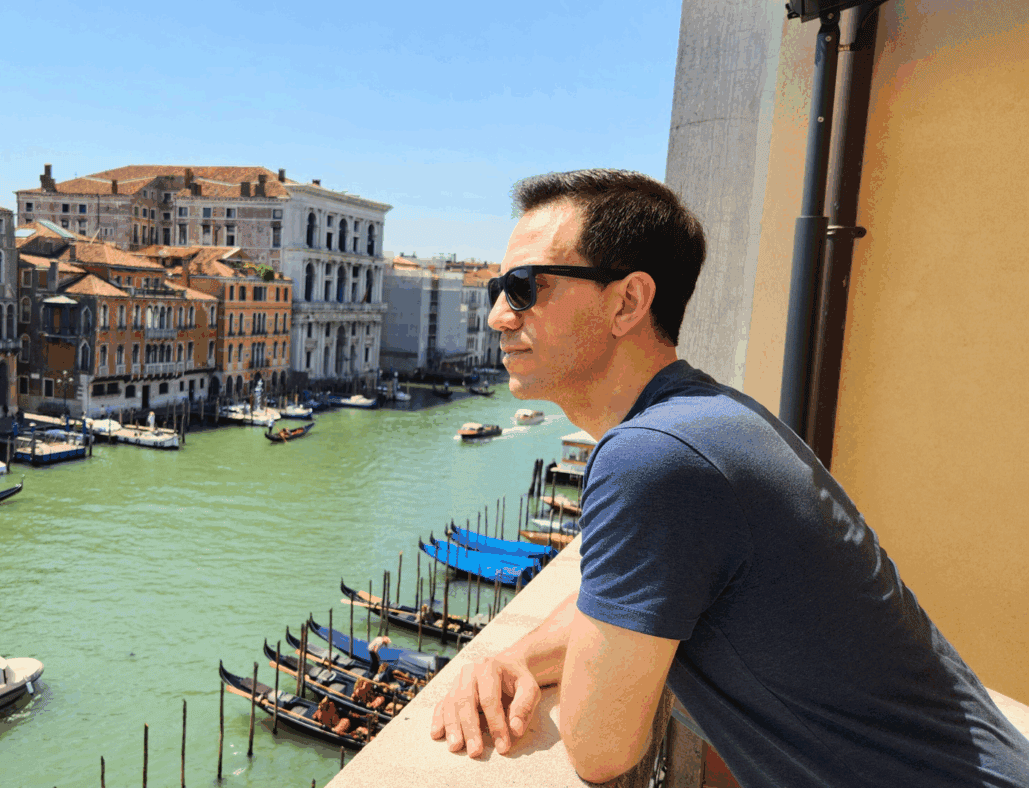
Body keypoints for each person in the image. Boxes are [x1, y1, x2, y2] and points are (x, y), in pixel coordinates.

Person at [429, 169, 1029, 786]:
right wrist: (515, 656)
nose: (500, 314)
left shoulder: (652, 457)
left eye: (526, 287)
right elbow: (624, 599)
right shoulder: (712, 417)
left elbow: (597, 746)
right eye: (500, 288)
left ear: (628, 301)